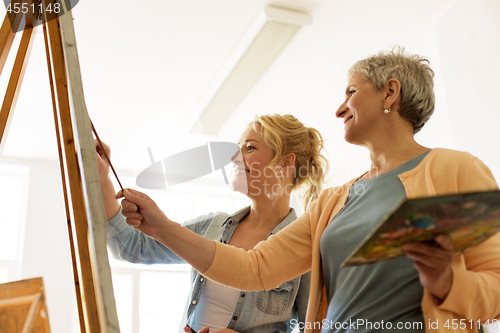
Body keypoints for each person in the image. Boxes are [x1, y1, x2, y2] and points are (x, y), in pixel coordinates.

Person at [116, 48, 500, 333]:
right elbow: (254, 268)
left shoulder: (454, 170)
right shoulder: (333, 202)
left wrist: (448, 283)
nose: (339, 109)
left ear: (390, 93)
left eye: (351, 91)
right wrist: (161, 227)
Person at [97, 114, 329, 333]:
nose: (233, 157)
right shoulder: (213, 226)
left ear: (285, 162)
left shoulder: (306, 248)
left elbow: (320, 328)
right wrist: (102, 178)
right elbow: (130, 247)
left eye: (250, 147)